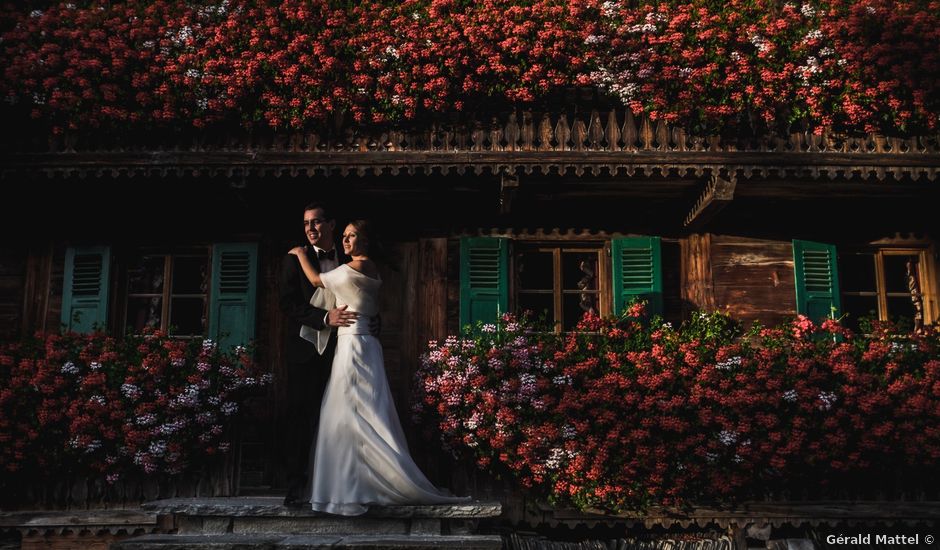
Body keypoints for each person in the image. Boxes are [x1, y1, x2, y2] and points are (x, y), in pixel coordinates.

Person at [288, 219, 470, 515]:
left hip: (355, 346)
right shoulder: (369, 269)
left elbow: (316, 281)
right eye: (344, 236)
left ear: (366, 241)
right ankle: (357, 482)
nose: (346, 241)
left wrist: (300, 255)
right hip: (363, 342)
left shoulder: (355, 268)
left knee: (350, 410)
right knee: (355, 411)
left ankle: (354, 485)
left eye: (352, 236)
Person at [277, 202, 358, 507]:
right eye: (306, 223)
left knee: (341, 416)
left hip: (345, 348)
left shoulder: (349, 255)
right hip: (306, 350)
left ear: (332, 224)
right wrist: (325, 320)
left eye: (316, 222)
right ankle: (296, 486)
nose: (310, 228)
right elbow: (288, 304)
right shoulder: (295, 259)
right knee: (301, 416)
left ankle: (341, 483)